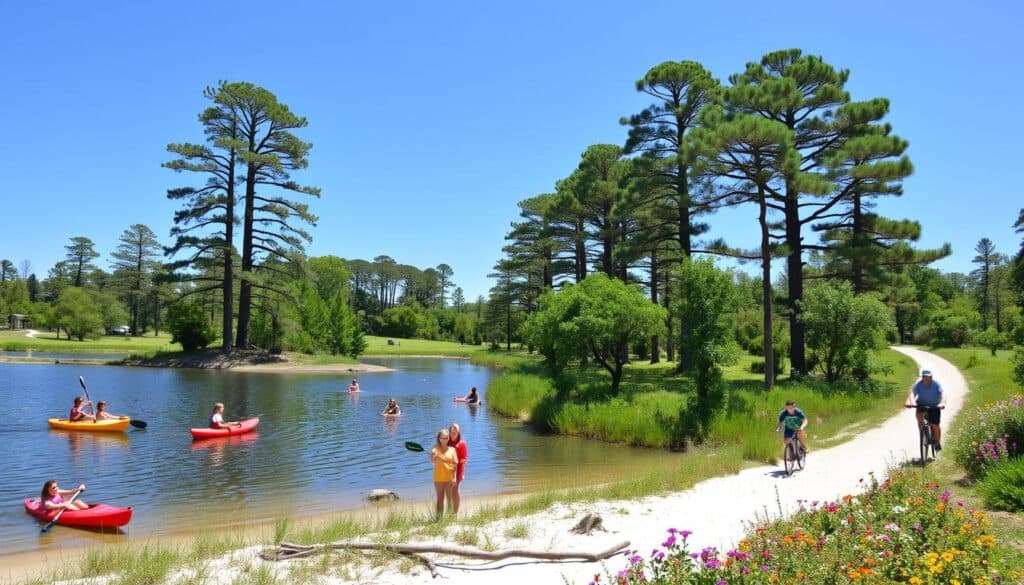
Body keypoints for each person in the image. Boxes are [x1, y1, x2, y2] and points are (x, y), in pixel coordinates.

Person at [906, 369, 946, 451]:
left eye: (930, 376)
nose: (928, 378)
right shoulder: (919, 384)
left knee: (935, 424)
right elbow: (912, 394)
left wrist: (942, 403)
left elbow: (943, 394)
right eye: (926, 377)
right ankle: (922, 432)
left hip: (934, 406)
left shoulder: (936, 384)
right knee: (919, 416)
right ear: (922, 378)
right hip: (922, 404)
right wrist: (911, 402)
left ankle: (937, 441)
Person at [430, 428, 457, 516]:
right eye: (442, 438)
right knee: (440, 499)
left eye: (446, 438)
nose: (444, 440)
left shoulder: (452, 450)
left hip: (449, 478)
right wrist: (435, 456)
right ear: (439, 438)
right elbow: (432, 461)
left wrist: (454, 477)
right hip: (438, 478)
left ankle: (450, 518)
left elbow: (455, 464)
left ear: (448, 438)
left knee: (449, 499)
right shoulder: (435, 448)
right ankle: (439, 518)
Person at [449, 423, 468, 515]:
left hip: (458, 470)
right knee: (449, 492)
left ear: (458, 432)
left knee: (455, 491)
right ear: (449, 432)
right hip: (447, 471)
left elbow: (464, 459)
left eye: (455, 431)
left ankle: (455, 513)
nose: (453, 433)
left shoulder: (462, 444)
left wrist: (455, 462)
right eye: (452, 431)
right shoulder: (447, 442)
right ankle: (451, 511)